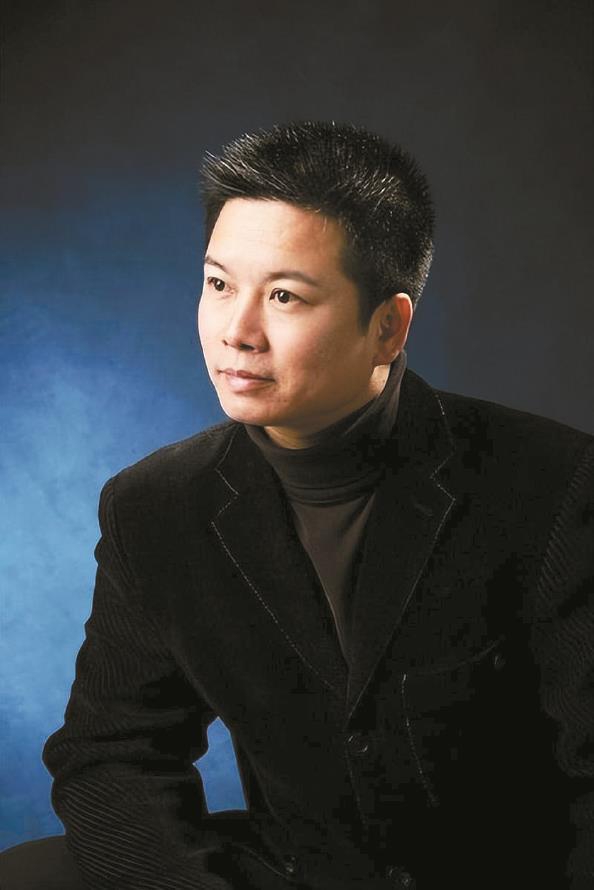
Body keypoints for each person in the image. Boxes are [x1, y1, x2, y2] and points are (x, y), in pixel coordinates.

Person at [2, 121, 592, 890]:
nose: (236, 332)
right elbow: (111, 754)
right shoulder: (154, 507)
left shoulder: (553, 484)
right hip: (302, 873)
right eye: (219, 284)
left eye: (284, 296)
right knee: (34, 874)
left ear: (388, 327)